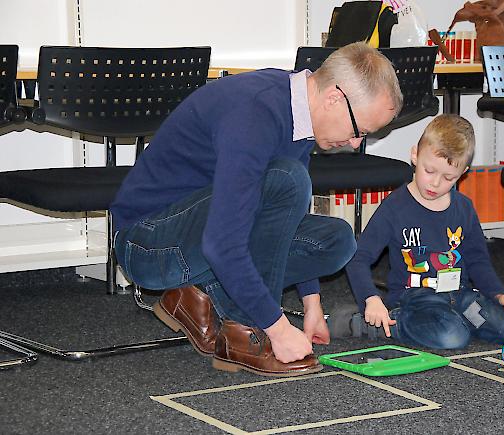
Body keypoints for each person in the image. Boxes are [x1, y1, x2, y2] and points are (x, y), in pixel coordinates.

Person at [110, 42, 403, 376]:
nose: (354, 144)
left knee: (338, 240)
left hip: (198, 234)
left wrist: (312, 303)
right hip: (148, 245)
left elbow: (284, 222)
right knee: (289, 180)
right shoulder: (255, 113)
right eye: (359, 131)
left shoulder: (301, 112)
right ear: (334, 98)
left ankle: (198, 294)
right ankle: (242, 331)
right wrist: (275, 328)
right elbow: (222, 243)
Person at [345, 114, 504, 350]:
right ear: (415, 155)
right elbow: (358, 258)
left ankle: (461, 322)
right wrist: (371, 299)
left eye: (448, 177)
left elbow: (478, 261)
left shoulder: (463, 207)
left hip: (460, 297)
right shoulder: (395, 207)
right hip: (416, 299)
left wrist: (498, 294)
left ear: (463, 173)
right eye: (429, 171)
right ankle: (384, 323)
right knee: (452, 337)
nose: (434, 184)